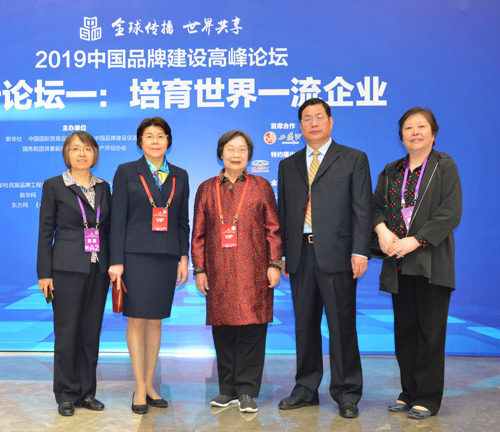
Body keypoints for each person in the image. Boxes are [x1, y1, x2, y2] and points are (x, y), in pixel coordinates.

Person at [277, 98, 372, 418]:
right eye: (307, 118)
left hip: (339, 255)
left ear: (330, 122)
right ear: (300, 126)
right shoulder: (288, 164)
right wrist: (283, 254)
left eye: (319, 117)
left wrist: (360, 251)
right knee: (304, 326)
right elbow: (284, 213)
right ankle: (305, 388)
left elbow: (362, 208)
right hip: (301, 254)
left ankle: (347, 392)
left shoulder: (354, 159)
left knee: (341, 326)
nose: (313, 123)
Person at [373, 107, 462, 419]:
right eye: (408, 127)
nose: (415, 132)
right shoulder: (391, 171)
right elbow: (375, 207)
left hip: (431, 262)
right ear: (401, 136)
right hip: (398, 263)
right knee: (405, 331)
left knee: (430, 332)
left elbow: (450, 212)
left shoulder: (444, 166)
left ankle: (427, 397)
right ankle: (408, 393)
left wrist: (416, 240)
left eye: (421, 126)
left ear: (433, 134)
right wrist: (381, 230)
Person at [191, 131, 282, 413]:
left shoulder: (261, 186)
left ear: (249, 155)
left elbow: (273, 229)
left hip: (254, 269)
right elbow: (198, 233)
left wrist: (274, 264)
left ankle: (247, 391)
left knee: (252, 329)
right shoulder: (207, 188)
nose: (236, 154)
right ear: (221, 153)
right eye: (230, 149)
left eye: (242, 149)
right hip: (218, 270)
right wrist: (200, 269)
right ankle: (227, 390)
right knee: (223, 330)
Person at [108, 117, 189, 414]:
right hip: (135, 257)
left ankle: (151, 384)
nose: (155, 141)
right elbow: (117, 220)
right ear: (140, 141)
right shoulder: (126, 171)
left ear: (168, 140)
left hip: (166, 257)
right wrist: (116, 261)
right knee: (137, 320)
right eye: (149, 136)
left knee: (156, 320)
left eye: (160, 136)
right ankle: (139, 387)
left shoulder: (180, 175)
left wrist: (183, 258)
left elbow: (182, 221)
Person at [37, 131, 110, 417]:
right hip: (66, 269)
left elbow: (108, 229)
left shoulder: (103, 187)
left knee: (90, 333)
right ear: (67, 154)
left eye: (87, 149)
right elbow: (46, 232)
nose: (82, 154)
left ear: (95, 154)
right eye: (75, 149)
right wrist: (45, 273)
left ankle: (86, 392)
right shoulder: (54, 185)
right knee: (67, 333)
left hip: (97, 268)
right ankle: (66, 394)